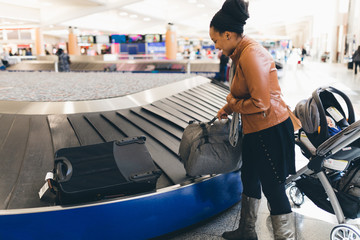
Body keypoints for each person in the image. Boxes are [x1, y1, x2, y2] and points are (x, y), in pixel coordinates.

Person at [209, 0, 296, 239]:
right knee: (249, 176)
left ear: (228, 35)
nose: (216, 46)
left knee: (273, 188)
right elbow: (247, 91)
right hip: (256, 129)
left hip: (271, 128)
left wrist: (233, 103)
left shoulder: (251, 54)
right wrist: (229, 105)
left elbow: (261, 103)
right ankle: (247, 231)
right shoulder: (241, 52)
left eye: (216, 40)